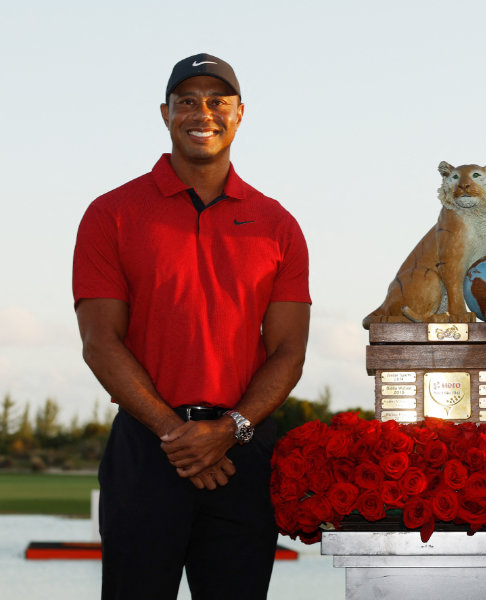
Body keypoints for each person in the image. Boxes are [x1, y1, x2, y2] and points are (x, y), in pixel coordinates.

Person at [73, 53, 311, 599]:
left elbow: (288, 353)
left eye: (217, 101)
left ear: (240, 113)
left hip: (242, 453)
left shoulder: (278, 224)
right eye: (187, 101)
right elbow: (99, 342)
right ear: (165, 113)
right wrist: (176, 436)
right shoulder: (111, 213)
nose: (202, 113)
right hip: (146, 449)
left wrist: (227, 431)